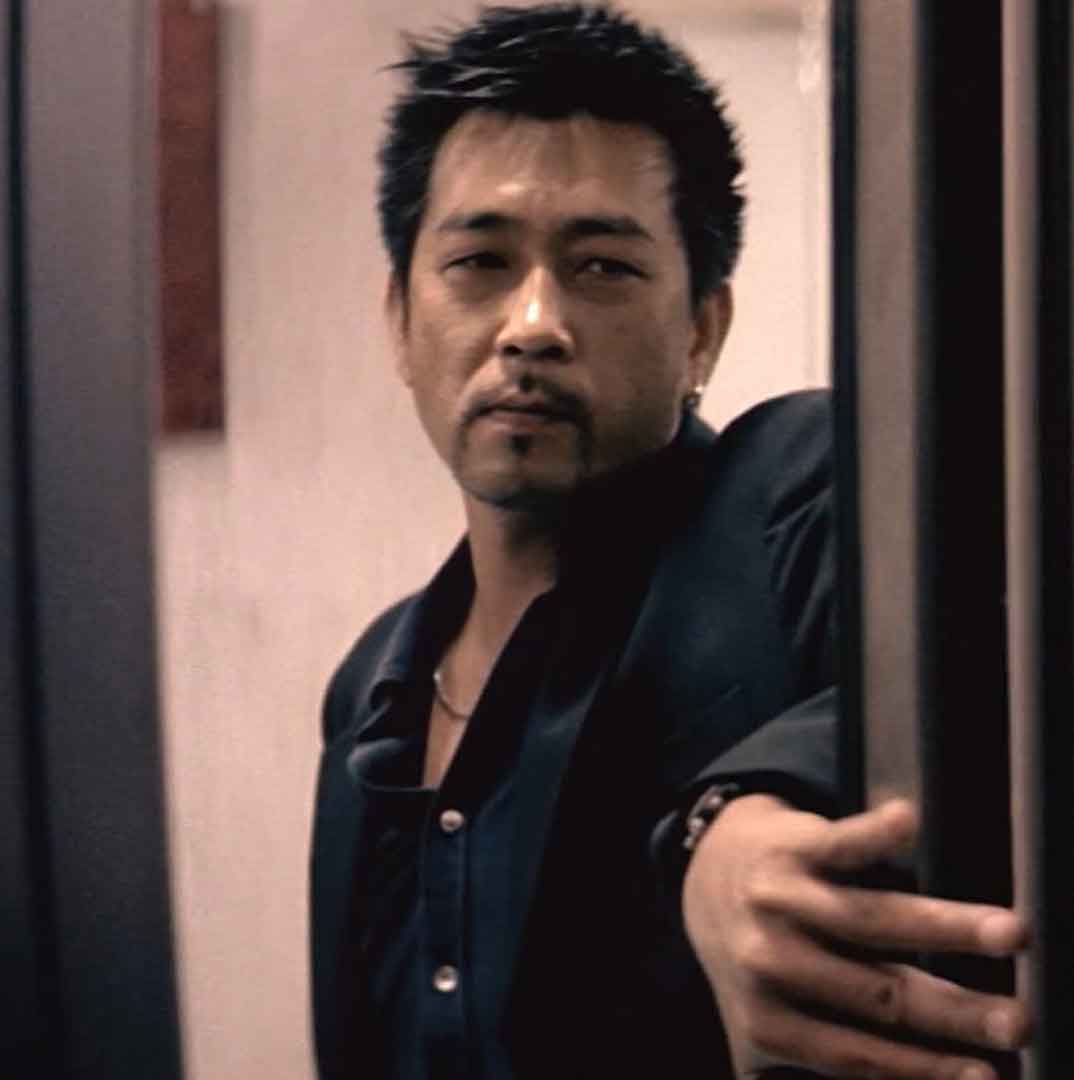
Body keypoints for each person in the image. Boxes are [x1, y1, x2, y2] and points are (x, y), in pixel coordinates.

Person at [308, 5, 1030, 1077]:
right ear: (400, 323)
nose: (532, 323)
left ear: (702, 330)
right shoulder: (373, 685)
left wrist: (728, 823)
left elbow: (1003, 673)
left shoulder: (798, 490)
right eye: (480, 261)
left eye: (602, 267)